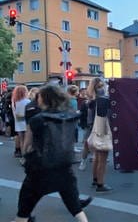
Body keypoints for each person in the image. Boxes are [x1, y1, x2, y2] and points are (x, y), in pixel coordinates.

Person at [12, 84, 90, 222]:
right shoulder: (69, 116)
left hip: (39, 172)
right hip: (64, 169)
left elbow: (26, 148)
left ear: (44, 99)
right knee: (76, 209)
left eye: (40, 96)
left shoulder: (36, 120)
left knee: (23, 211)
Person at [87, 77, 113, 193]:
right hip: (101, 130)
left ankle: (95, 179)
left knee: (96, 157)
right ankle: (100, 184)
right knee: (102, 158)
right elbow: (102, 120)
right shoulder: (102, 101)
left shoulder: (91, 101)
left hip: (94, 129)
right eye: (101, 86)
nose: (103, 88)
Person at [11, 85, 30, 157]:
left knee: (21, 140)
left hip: (18, 122)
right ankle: (27, 155)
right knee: (27, 140)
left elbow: (15, 113)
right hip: (26, 122)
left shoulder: (15, 102)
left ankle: (23, 155)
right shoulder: (28, 102)